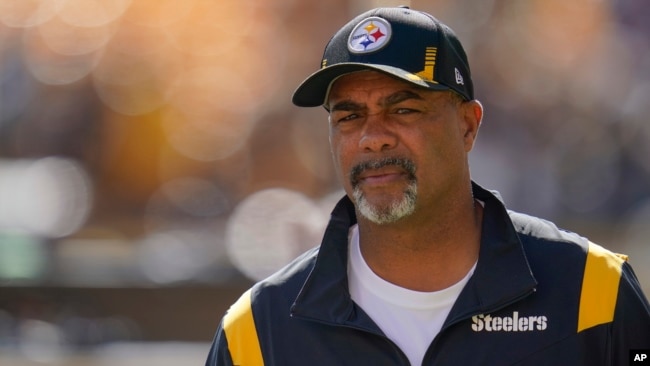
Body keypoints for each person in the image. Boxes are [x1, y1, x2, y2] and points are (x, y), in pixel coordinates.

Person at [206, 6, 650, 365]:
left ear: (467, 126)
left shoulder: (593, 290)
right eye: (348, 116)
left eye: (404, 110)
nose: (372, 136)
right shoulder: (257, 333)